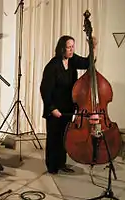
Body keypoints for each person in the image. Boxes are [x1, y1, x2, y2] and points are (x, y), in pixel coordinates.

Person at [40, 35, 97, 174]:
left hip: (67, 108)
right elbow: (45, 90)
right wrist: (52, 108)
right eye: (69, 47)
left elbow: (87, 63)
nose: (71, 50)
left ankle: (61, 163)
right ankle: (52, 166)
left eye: (73, 47)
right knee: (54, 137)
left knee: (64, 137)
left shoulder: (72, 61)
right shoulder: (52, 66)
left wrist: (93, 47)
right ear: (62, 49)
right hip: (55, 108)